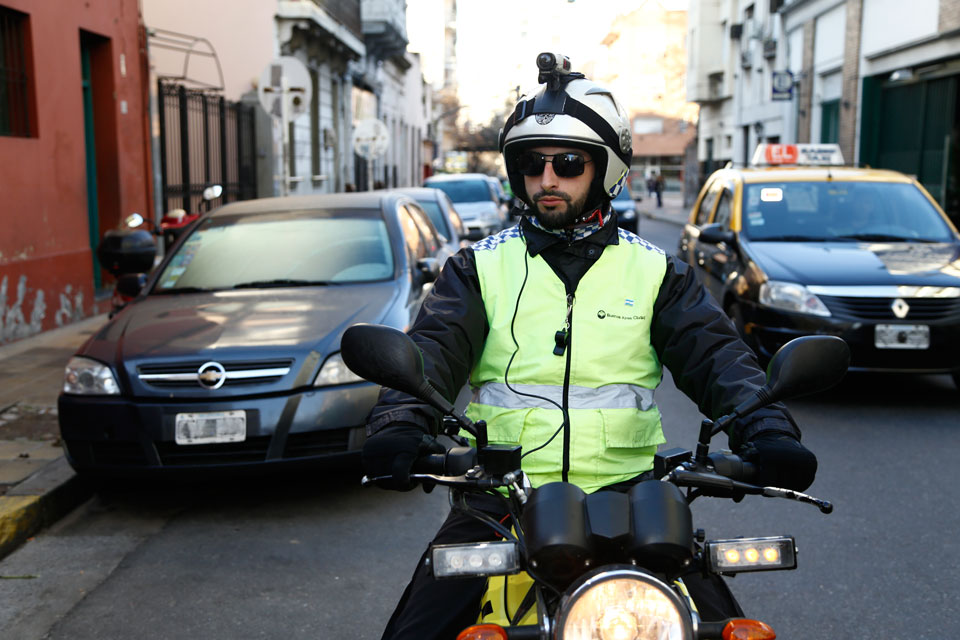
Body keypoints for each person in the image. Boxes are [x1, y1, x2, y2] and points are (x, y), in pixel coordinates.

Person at [361, 56, 817, 640]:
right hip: (500, 502)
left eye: (568, 163)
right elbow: (432, 349)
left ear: (606, 169)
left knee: (723, 630)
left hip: (631, 502)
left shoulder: (657, 273)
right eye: (532, 163)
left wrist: (767, 429)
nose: (547, 179)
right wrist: (400, 422)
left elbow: (718, 357)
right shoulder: (477, 268)